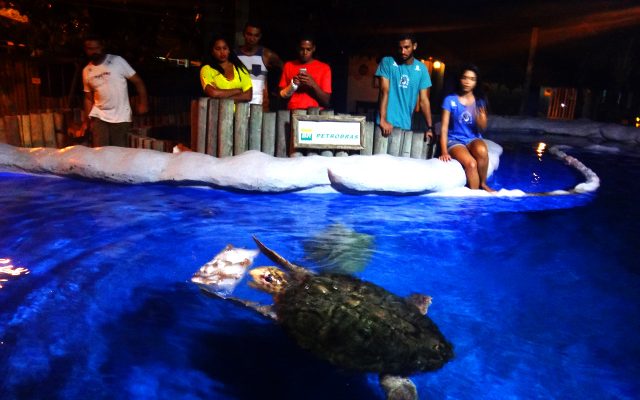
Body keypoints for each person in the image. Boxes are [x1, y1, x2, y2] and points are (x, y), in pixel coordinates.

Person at [82, 35, 148, 147]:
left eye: (96, 48)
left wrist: (143, 103)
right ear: (86, 50)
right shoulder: (86, 71)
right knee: (100, 152)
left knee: (118, 153)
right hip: (99, 115)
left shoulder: (117, 61)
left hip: (121, 116)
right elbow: (88, 98)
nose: (94, 51)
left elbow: (138, 81)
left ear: (102, 47)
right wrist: (87, 120)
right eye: (90, 49)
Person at [438, 64, 494, 192]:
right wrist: (444, 152)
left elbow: (482, 127)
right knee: (471, 164)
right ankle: (474, 198)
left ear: (476, 82)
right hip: (455, 140)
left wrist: (481, 117)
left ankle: (483, 184)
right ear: (460, 79)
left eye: (472, 79)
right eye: (465, 78)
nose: (468, 82)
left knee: (482, 150)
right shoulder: (450, 100)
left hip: (472, 138)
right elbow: (444, 128)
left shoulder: (479, 101)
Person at [375, 33, 433, 141]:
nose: (403, 51)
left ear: (414, 46)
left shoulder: (421, 69)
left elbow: (424, 101)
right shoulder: (387, 62)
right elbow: (384, 91)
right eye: (400, 48)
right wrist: (383, 119)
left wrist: (430, 127)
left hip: (405, 125)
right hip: (384, 125)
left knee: (400, 157)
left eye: (406, 47)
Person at [236, 22, 283, 109]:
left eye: (256, 35)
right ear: (244, 34)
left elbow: (284, 69)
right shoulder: (234, 55)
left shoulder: (266, 55)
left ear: (260, 36)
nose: (252, 39)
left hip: (259, 105)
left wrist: (276, 90)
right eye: (249, 34)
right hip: (238, 104)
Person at [279, 35, 331, 110]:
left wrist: (313, 84)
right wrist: (293, 86)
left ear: (313, 49)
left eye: (308, 49)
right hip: (292, 112)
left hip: (315, 114)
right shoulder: (289, 65)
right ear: (297, 48)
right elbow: (281, 97)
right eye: (302, 49)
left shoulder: (324, 68)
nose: (305, 52)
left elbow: (326, 101)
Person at [200, 35, 252, 102]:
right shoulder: (207, 69)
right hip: (216, 111)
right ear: (212, 52)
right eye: (218, 49)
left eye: (225, 48)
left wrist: (223, 99)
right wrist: (237, 91)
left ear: (229, 50)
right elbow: (213, 93)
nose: (222, 52)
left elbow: (248, 96)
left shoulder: (240, 69)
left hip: (239, 112)